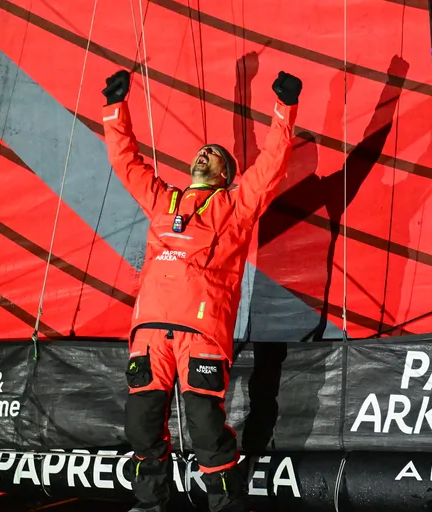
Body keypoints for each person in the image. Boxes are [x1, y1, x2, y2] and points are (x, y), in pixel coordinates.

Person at [100, 67, 302, 512]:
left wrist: (284, 109)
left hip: (202, 335)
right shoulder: (162, 199)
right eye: (200, 152)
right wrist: (115, 108)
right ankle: (150, 503)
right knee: (140, 425)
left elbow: (271, 165)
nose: (202, 155)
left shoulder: (234, 204)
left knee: (206, 426)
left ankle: (224, 504)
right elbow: (125, 161)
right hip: (150, 333)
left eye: (212, 155)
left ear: (226, 173)